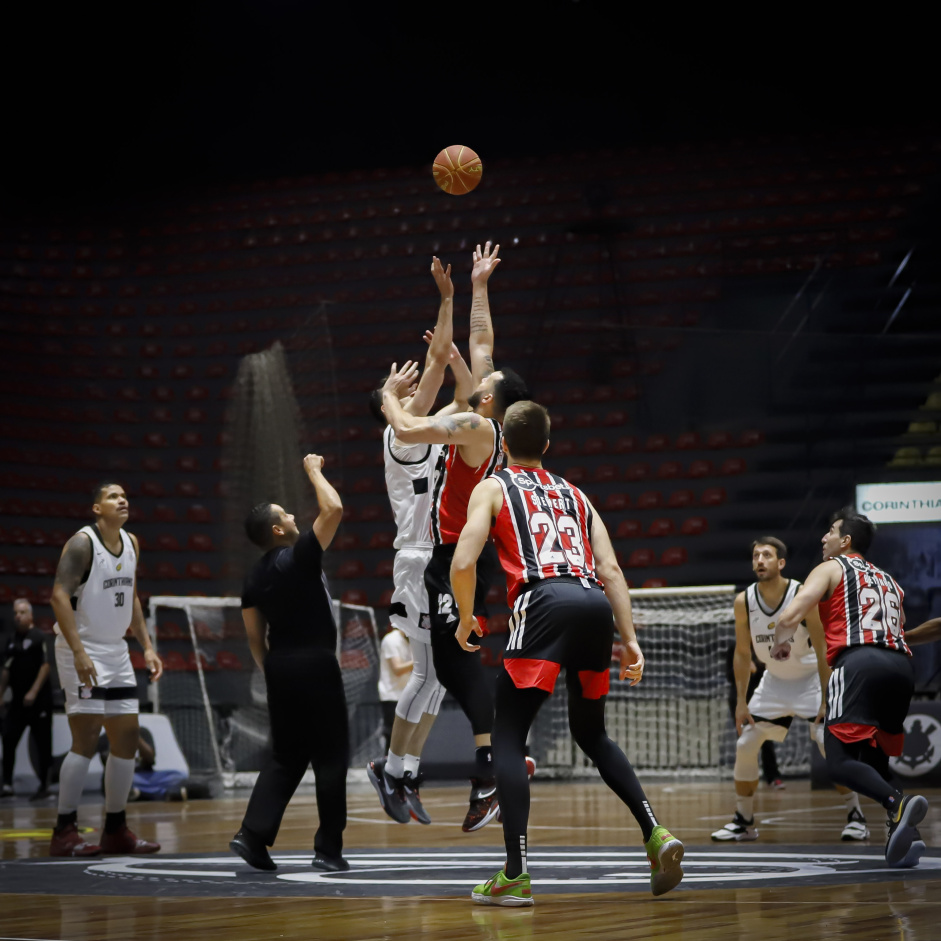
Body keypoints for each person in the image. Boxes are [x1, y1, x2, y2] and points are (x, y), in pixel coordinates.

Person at [451, 400, 684, 904]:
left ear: (502, 445)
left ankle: (515, 874)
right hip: (594, 606)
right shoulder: (577, 494)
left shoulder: (492, 486)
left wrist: (468, 616)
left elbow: (463, 559)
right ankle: (656, 833)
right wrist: (631, 641)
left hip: (543, 601)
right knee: (592, 732)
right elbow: (612, 569)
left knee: (509, 737)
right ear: (548, 447)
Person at [381, 241, 530, 832]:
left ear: (489, 399)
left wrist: (389, 399)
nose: (480, 370)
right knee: (448, 663)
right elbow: (482, 344)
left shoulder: (472, 426)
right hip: (463, 556)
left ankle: (492, 767)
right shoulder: (491, 421)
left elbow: (409, 424)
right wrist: (478, 286)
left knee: (456, 664)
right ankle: (477, 765)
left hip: (450, 558)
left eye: (483, 380)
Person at [365, 255, 472, 826]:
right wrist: (447, 296)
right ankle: (392, 768)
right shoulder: (401, 438)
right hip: (416, 561)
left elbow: (467, 391)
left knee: (436, 682)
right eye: (407, 395)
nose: (420, 393)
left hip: (439, 561)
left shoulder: (430, 436)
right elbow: (433, 369)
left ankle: (402, 771)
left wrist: (455, 353)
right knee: (431, 677)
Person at [772, 508, 929, 868]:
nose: (822, 538)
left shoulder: (831, 567)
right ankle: (907, 836)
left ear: (845, 541)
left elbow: (788, 615)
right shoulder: (890, 580)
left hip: (859, 663)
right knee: (876, 761)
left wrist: (781, 641)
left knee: (840, 764)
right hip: (902, 668)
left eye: (830, 531)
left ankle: (898, 805)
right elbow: (899, 627)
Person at [229, 453, 349, 873]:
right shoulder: (298, 556)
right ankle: (328, 851)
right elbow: (333, 508)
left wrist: (272, 670)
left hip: (279, 666)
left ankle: (252, 835)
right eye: (287, 514)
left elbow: (251, 635)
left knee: (286, 755)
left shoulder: (252, 577)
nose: (296, 515)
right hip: (316, 664)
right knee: (331, 757)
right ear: (279, 530)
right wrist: (314, 470)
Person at [712, 537, 869, 843]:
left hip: (811, 679)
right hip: (774, 682)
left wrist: (827, 697)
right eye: (756, 555)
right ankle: (744, 821)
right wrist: (741, 702)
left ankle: (856, 816)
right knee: (745, 744)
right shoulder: (743, 601)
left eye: (767, 555)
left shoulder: (800, 593)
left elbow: (823, 646)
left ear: (781, 563)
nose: (760, 560)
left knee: (828, 743)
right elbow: (742, 654)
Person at [48, 482, 164, 857]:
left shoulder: (132, 542)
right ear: (97, 508)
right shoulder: (82, 543)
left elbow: (130, 598)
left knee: (127, 739)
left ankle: (116, 829)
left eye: (125, 495)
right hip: (80, 648)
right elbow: (58, 596)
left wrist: (146, 646)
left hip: (116, 651)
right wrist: (80, 653)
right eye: (113, 496)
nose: (123, 499)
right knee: (85, 740)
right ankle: (64, 830)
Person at [1, 598, 54, 800]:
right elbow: (6, 669)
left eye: (22, 612)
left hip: (39, 701)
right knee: (8, 739)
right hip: (17, 703)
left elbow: (46, 666)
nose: (18, 616)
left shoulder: (40, 637)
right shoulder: (11, 640)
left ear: (31, 615)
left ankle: (44, 786)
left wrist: (33, 691)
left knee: (42, 744)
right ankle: (6, 784)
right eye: (15, 612)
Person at [723, 642, 783, 788]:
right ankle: (747, 778)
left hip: (759, 698)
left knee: (766, 738)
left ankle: (773, 776)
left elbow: (770, 672)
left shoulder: (762, 645)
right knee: (745, 740)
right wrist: (744, 668)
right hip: (739, 700)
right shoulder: (734, 648)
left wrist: (758, 667)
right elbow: (729, 676)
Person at [98, 727, 188, 802]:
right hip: (125, 778)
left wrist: (138, 740)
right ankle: (165, 794)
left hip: (146, 777)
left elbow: (150, 759)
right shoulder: (107, 737)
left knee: (179, 775)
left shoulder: (143, 732)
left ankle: (139, 794)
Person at [377, 626, 413, 754]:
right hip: (392, 696)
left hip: (408, 694)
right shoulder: (391, 640)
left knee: (410, 736)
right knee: (393, 736)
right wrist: (422, 660)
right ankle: (389, 769)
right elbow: (397, 669)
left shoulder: (413, 640)